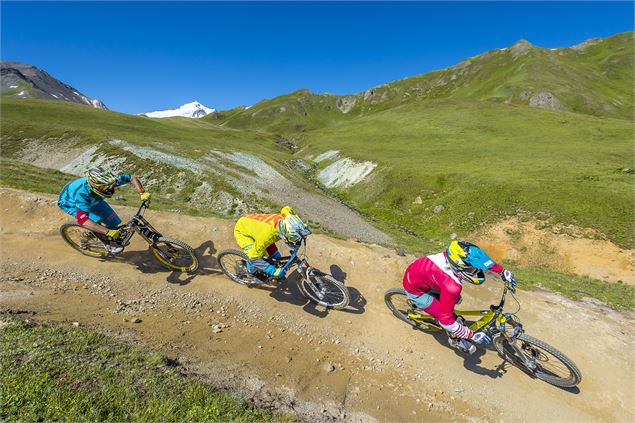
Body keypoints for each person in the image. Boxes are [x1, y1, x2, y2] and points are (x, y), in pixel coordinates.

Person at [402, 240, 517, 353]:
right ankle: (455, 340)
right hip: (416, 290)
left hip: (420, 275)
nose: (476, 271)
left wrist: (502, 272)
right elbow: (445, 321)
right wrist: (471, 335)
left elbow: (481, 259)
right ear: (458, 267)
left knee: (454, 300)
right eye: (471, 269)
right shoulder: (452, 286)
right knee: (454, 319)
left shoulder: (453, 255)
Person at [58, 167, 151, 253]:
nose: (110, 188)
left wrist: (142, 192)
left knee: (113, 222)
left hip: (94, 200)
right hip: (71, 203)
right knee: (95, 221)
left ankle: (95, 234)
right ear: (95, 185)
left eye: (110, 185)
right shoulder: (82, 193)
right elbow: (83, 220)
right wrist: (107, 232)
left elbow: (132, 177)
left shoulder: (108, 180)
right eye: (105, 187)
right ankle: (108, 244)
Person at [233, 206, 311, 280]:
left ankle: (262, 267)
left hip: (253, 225)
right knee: (254, 255)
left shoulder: (287, 217)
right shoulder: (266, 237)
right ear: (284, 234)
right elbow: (254, 257)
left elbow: (286, 208)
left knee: (276, 257)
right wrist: (273, 271)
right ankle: (250, 272)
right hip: (243, 232)